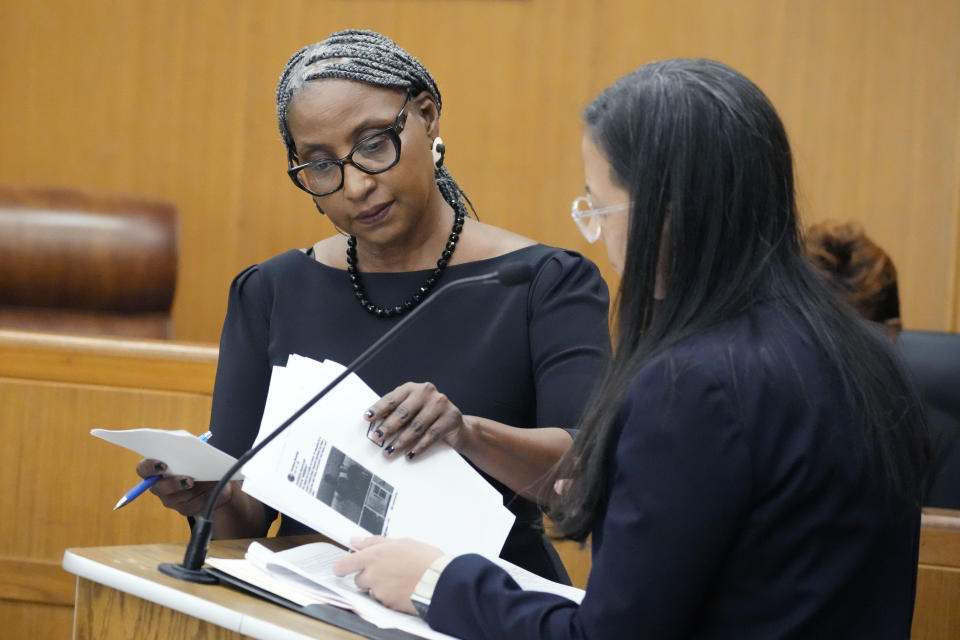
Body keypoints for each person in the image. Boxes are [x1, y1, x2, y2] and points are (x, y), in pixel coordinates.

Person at [333, 59, 930, 638]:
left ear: (667, 212)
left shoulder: (694, 383)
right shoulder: (863, 353)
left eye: (598, 205)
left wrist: (436, 583)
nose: (596, 232)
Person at [136, 29, 610, 582]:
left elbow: (580, 476)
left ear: (427, 116)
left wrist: (469, 433)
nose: (355, 185)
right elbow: (249, 519)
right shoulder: (270, 291)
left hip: (486, 603)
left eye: (373, 143)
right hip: (315, 599)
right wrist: (206, 499)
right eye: (319, 165)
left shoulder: (541, 281)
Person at [806, 220, 959, 509]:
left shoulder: (941, 446)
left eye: (839, 337)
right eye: (803, 333)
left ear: (890, 334)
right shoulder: (773, 427)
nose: (814, 354)